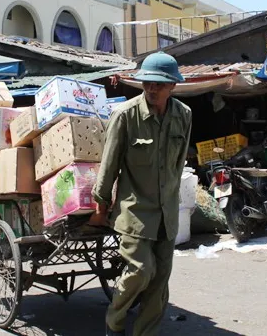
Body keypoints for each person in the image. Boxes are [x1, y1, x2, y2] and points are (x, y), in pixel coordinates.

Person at [90, 52, 192, 336]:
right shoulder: (125, 115)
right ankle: (115, 322)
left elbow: (179, 162)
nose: (151, 89)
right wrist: (100, 205)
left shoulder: (184, 115)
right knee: (141, 271)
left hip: (166, 212)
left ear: (173, 85)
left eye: (159, 84)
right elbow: (109, 164)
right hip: (133, 211)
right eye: (147, 83)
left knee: (159, 282)